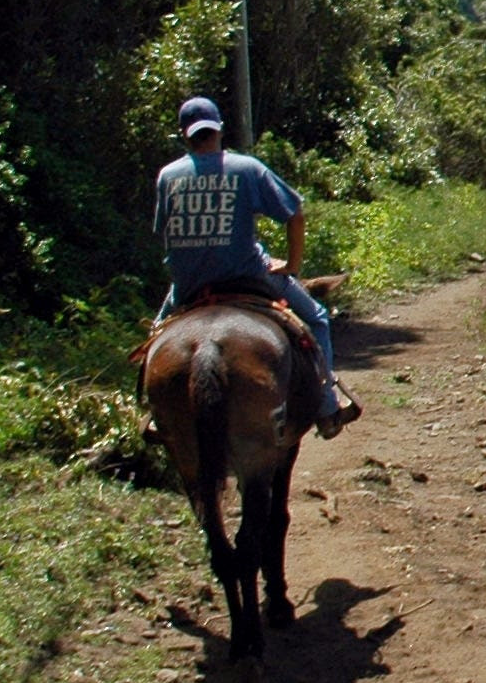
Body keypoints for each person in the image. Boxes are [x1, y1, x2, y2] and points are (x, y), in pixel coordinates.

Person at [151, 96, 359, 437]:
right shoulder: (246, 168)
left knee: (157, 336)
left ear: (184, 135)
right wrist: (291, 265)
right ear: (219, 129)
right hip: (249, 276)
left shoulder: (167, 176)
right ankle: (326, 405)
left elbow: (166, 231)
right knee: (318, 319)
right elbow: (295, 213)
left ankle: (157, 414)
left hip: (188, 284)